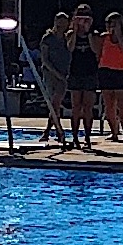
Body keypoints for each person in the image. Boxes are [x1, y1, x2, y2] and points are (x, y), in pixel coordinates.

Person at [66, 5, 102, 151]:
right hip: (75, 72)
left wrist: (88, 33)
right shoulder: (70, 33)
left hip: (90, 72)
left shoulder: (94, 34)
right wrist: (75, 31)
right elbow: (70, 48)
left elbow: (96, 51)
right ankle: (75, 136)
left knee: (88, 107)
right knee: (76, 106)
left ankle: (87, 136)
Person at [36, 14, 72, 147]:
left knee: (55, 103)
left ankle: (53, 132)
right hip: (51, 73)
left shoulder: (67, 38)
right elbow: (45, 60)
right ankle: (57, 131)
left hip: (64, 73)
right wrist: (57, 74)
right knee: (54, 103)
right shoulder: (48, 38)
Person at [99, 12, 123, 143]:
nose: (111, 26)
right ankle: (114, 131)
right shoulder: (104, 37)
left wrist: (119, 37)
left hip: (121, 71)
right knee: (109, 104)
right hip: (106, 71)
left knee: (122, 104)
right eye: (109, 23)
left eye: (114, 23)